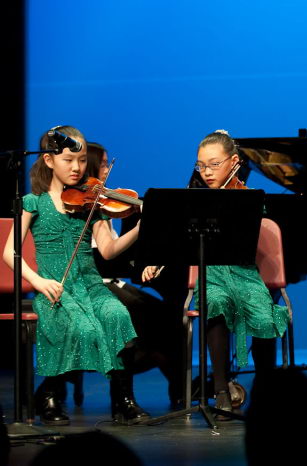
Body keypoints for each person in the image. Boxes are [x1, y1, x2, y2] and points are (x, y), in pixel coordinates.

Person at [1, 126, 150, 426]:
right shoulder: (34, 201)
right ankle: (50, 394)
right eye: (68, 160)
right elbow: (9, 252)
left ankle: (123, 400)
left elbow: (108, 251)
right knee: (78, 326)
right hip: (55, 287)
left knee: (117, 315)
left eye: (82, 161)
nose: (77, 167)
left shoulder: (92, 202)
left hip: (91, 286)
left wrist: (139, 228)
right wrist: (38, 281)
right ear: (48, 160)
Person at [142, 129, 289, 419]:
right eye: (201, 166)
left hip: (244, 274)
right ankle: (220, 391)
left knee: (263, 311)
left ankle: (266, 387)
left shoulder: (248, 198)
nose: (206, 172)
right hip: (212, 274)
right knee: (215, 302)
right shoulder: (194, 200)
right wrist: (159, 261)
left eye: (214, 164)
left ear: (234, 162)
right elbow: (177, 238)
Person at [85, 142, 185, 409]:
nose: (106, 170)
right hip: (92, 284)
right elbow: (105, 256)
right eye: (102, 164)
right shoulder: (85, 206)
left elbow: (112, 256)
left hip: (111, 281)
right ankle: (124, 395)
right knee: (139, 316)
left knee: (170, 316)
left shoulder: (102, 204)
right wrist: (139, 227)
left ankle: (180, 388)